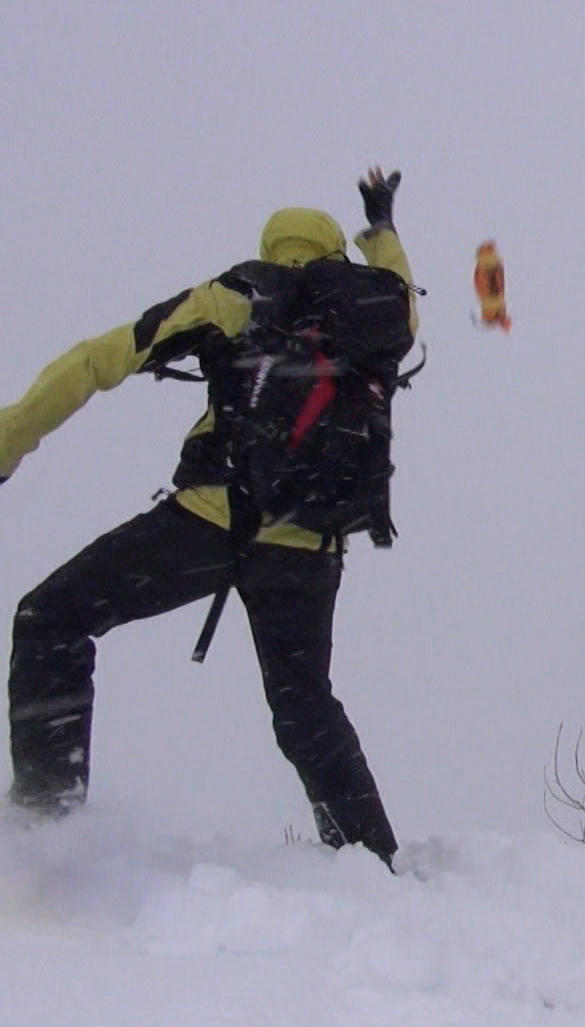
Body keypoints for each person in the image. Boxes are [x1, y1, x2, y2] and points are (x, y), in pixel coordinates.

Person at [0, 168, 414, 867]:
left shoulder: (238, 294)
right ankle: (370, 864)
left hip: (208, 525)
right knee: (305, 707)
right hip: (306, 549)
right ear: (334, 252)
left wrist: (11, 438)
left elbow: (100, 360)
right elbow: (402, 286)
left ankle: (46, 830)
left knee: (52, 621)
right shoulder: (379, 307)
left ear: (272, 245)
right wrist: (383, 229)